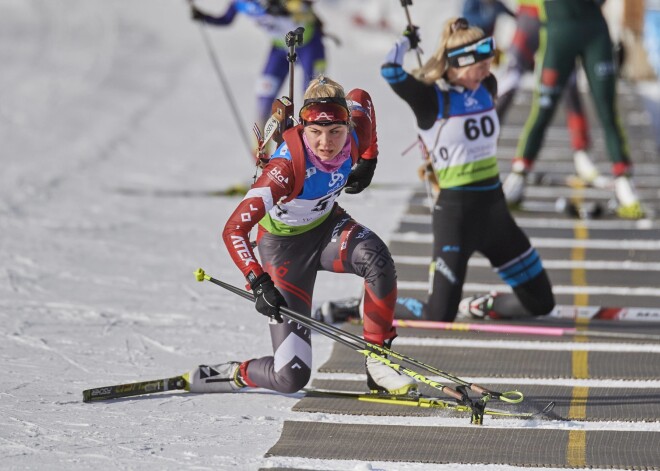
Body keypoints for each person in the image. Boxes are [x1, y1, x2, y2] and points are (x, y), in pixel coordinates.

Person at [186, 76, 417, 396]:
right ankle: (237, 373)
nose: (326, 143)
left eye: (335, 131)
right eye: (315, 133)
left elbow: (361, 97)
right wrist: (258, 281)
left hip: (325, 231)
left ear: (346, 125)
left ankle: (378, 361)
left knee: (376, 258)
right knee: (291, 376)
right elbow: (234, 230)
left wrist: (369, 157)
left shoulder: (354, 132)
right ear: (303, 128)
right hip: (282, 252)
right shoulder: (285, 168)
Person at [377, 17, 555, 322]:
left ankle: (480, 306)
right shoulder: (431, 99)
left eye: (490, 63)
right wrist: (407, 41)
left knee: (541, 302)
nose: (488, 71)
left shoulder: (487, 85)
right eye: (481, 65)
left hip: (495, 213)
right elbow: (390, 70)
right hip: (456, 217)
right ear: (458, 65)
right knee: (439, 315)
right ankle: (364, 306)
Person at [502, 0, 645, 219]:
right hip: (557, 33)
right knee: (542, 110)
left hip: (593, 32)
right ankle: (518, 178)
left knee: (607, 113)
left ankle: (625, 183)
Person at [496, 0, 607, 188]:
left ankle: (581, 153)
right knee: (509, 81)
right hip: (531, 16)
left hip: (560, 18)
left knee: (569, 84)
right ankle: (484, 145)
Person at [190, 0, 326, 130]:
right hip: (280, 48)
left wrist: (288, 6)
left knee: (312, 96)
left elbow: (304, 7)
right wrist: (204, 17)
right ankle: (261, 147)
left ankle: (318, 140)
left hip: (309, 46)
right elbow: (226, 19)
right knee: (265, 95)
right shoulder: (239, 3)